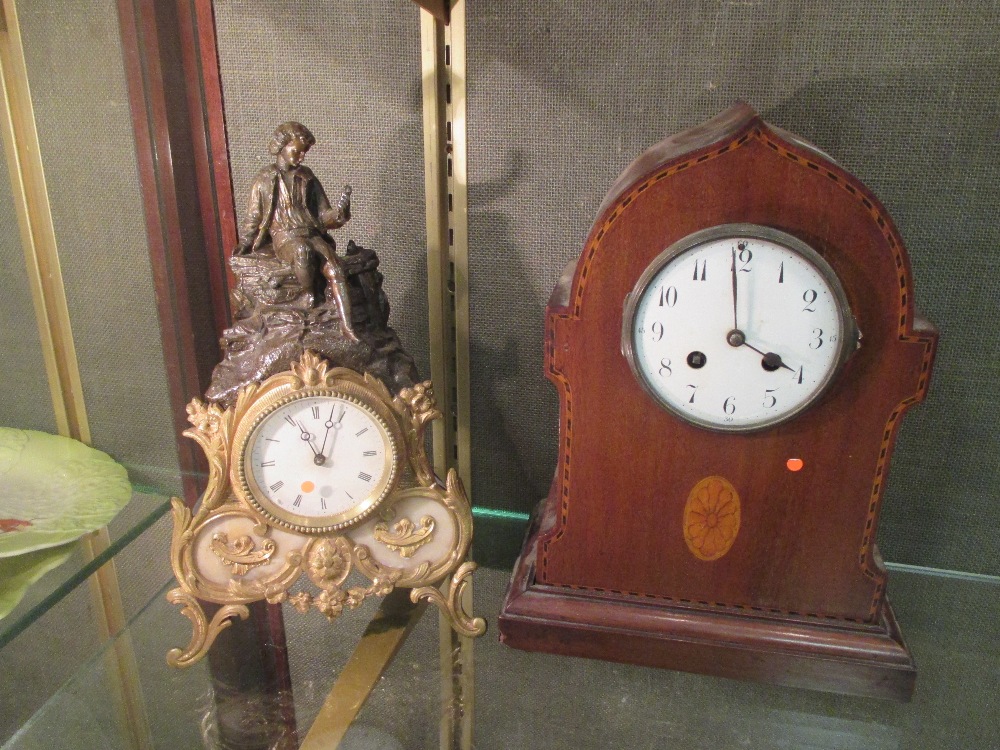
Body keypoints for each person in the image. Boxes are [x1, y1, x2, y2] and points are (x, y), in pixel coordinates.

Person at [235, 121, 359, 341]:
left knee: (336, 270)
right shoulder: (264, 179)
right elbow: (253, 216)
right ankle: (309, 295)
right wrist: (246, 242)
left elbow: (323, 214)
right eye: (297, 151)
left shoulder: (307, 177)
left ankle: (348, 327)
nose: (301, 157)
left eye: (304, 152)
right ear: (281, 147)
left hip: (311, 233)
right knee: (302, 252)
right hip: (286, 237)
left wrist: (339, 214)